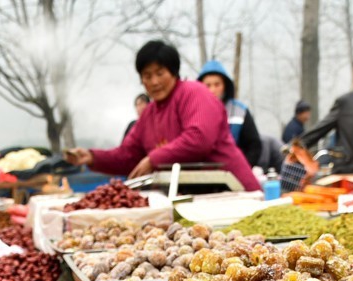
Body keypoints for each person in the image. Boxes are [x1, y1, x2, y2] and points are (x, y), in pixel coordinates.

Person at [64, 40, 259, 191]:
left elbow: (199, 138)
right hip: (195, 197)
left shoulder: (194, 93)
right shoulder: (149, 114)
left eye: (160, 73)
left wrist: (153, 159)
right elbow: (128, 155)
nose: (154, 81)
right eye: (147, 76)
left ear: (173, 72)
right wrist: (91, 157)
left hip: (233, 191)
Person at [198, 59, 262, 169]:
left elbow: (254, 145)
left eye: (217, 84)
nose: (212, 90)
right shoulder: (195, 111)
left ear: (225, 86)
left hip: (234, 173)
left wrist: (243, 168)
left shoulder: (240, 111)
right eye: (207, 85)